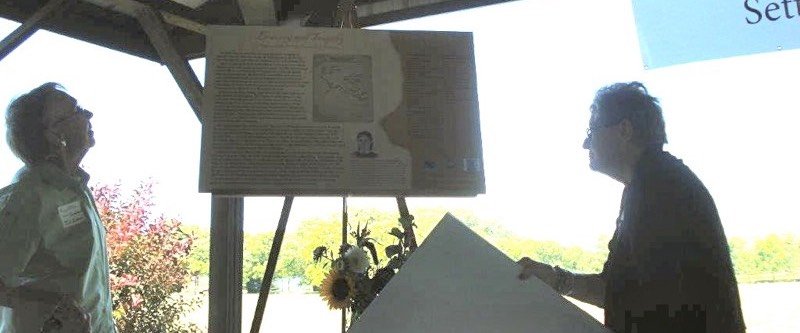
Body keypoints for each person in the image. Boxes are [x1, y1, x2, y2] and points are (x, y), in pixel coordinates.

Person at [518, 82, 745, 333]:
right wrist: (558, 279)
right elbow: (617, 290)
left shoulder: (661, 190)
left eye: (592, 130)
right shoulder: (649, 186)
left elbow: (656, 305)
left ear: (624, 130)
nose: (585, 142)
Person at [0, 83, 115, 332]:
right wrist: (53, 304)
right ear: (54, 135)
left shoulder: (76, 190)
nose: (88, 115)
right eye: (77, 110)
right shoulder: (28, 197)